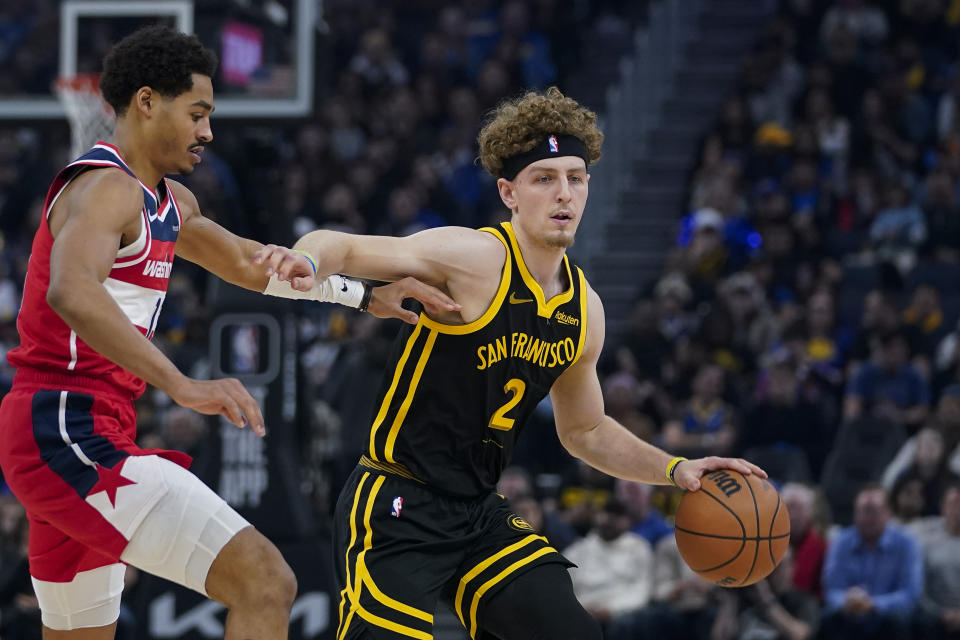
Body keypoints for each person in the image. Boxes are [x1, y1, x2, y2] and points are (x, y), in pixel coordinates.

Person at [254, 86, 766, 639]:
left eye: (575, 176)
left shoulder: (584, 310)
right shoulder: (474, 259)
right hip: (396, 503)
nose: (563, 192)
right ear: (510, 192)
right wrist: (306, 258)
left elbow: (586, 430)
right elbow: (344, 246)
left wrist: (674, 469)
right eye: (544, 178)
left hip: (478, 513)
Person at [0, 25, 456, 640]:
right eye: (197, 113)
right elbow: (71, 290)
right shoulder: (105, 188)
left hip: (84, 428)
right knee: (266, 581)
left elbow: (250, 265)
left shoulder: (169, 201)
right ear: (146, 102)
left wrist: (364, 294)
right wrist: (182, 385)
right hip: (65, 428)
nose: (208, 133)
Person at [821, 485, 923, 640]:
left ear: (888, 513)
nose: (868, 517)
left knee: (901, 621)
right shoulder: (841, 541)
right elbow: (832, 590)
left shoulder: (906, 542)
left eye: (874, 511)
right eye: (863, 511)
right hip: (850, 614)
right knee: (827, 618)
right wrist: (848, 601)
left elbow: (910, 594)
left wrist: (874, 604)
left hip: (889, 617)